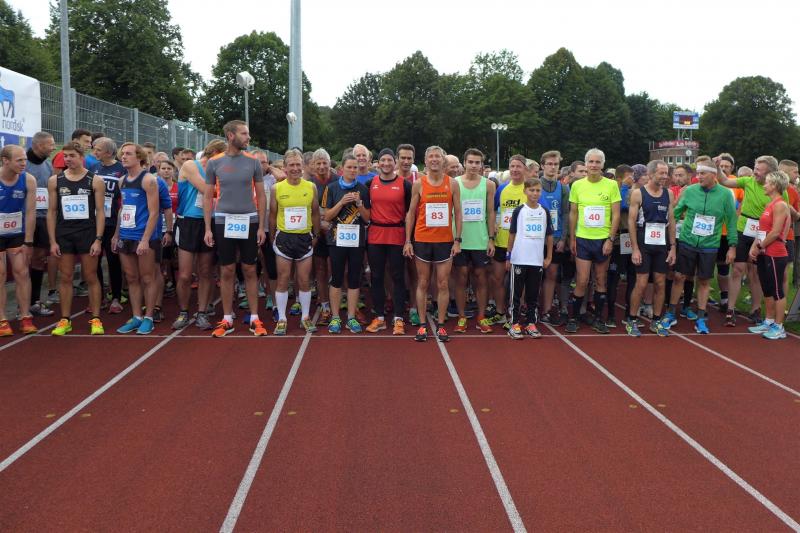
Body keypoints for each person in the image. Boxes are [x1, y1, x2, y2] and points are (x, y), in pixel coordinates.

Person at [203, 120, 267, 337]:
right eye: (244, 133)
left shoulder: (253, 162)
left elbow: (261, 196)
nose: (248, 137)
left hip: (249, 220)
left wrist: (261, 226)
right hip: (223, 221)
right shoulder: (214, 162)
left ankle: (255, 318)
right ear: (231, 136)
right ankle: (227, 318)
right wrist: (208, 228)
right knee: (227, 269)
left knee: (250, 269)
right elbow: (207, 197)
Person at [660, 164, 737, 334]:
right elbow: (676, 212)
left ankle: (701, 318)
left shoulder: (725, 194)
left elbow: (731, 221)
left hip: (710, 245)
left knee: (704, 281)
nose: (699, 176)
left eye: (703, 173)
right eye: (698, 173)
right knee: (679, 276)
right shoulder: (690, 191)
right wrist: (663, 223)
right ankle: (670, 313)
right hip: (687, 241)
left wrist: (732, 246)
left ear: (713, 175)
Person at [717, 156, 791, 326]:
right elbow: (724, 181)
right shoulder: (748, 181)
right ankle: (730, 309)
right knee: (738, 269)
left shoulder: (780, 192)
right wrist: (717, 167)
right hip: (744, 228)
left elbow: (785, 215)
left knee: (756, 272)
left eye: (758, 169)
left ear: (769, 172)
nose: (755, 171)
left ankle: (756, 309)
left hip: (764, 232)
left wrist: (783, 238)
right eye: (755, 168)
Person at [47, 142, 106, 336]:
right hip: (64, 233)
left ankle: (96, 318)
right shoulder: (55, 181)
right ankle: (65, 320)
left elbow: (100, 212)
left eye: (72, 155)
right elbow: (51, 212)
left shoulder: (95, 180)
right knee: (65, 277)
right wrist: (52, 241)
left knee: (90, 276)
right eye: (65, 156)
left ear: (81, 157)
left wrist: (98, 239)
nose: (68, 159)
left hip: (87, 233)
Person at [403, 146, 462, 342]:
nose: (434, 159)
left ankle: (441, 325)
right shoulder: (418, 184)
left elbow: (458, 213)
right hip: (422, 240)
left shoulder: (452, 183)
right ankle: (422, 325)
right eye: (431, 157)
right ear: (426, 160)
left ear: (443, 160)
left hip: (445, 241)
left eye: (438, 156)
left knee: (442, 283)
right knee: (423, 282)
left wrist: (458, 240)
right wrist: (408, 241)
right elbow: (411, 213)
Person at [566, 148, 621, 334]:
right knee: (582, 280)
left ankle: (598, 318)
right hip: (583, 239)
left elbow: (616, 214)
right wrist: (572, 237)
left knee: (600, 279)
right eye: (591, 162)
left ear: (603, 165)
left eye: (598, 162)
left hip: (602, 240)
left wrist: (610, 239)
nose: (594, 165)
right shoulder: (577, 185)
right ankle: (574, 318)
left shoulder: (611, 185)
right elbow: (573, 213)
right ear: (586, 163)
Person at [172, 140, 225, 331]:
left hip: (209, 222)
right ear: (214, 153)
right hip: (188, 222)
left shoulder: (219, 170)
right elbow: (207, 190)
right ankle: (183, 312)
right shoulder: (190, 165)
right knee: (185, 274)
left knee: (205, 271)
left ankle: (202, 312)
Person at [270, 149, 321, 335]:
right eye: (291, 165)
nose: (295, 168)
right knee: (283, 279)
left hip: (304, 238)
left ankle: (305, 317)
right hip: (284, 238)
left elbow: (315, 213)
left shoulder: (311, 187)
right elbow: (272, 215)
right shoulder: (277, 188)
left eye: (298, 165)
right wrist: (273, 238)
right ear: (284, 167)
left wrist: (316, 236)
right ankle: (282, 319)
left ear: (303, 166)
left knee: (304, 280)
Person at [112, 143, 161, 335]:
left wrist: (145, 239)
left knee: (147, 277)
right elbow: (122, 209)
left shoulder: (148, 179)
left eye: (128, 154)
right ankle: (136, 316)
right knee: (131, 278)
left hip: (143, 235)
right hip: (126, 234)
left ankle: (148, 317)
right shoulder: (122, 180)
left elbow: (154, 212)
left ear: (139, 157)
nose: (123, 157)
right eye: (122, 154)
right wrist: (116, 234)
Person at [626, 160, 676, 337]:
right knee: (641, 283)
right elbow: (631, 222)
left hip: (661, 242)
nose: (665, 177)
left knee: (660, 283)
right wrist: (635, 249)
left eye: (666, 173)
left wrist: (673, 247)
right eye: (661, 173)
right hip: (643, 241)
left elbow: (672, 221)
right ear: (651, 173)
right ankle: (632, 319)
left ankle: (656, 320)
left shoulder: (669, 193)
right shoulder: (638, 194)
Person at [364, 148, 411, 335]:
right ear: (378, 163)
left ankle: (398, 318)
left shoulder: (405, 184)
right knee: (376, 277)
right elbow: (365, 210)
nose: (386, 163)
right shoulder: (370, 183)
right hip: (376, 234)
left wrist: (409, 239)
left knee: (398, 276)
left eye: (389, 160)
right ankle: (380, 317)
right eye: (382, 160)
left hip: (397, 234)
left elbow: (410, 213)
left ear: (395, 162)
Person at [322, 154, 371, 333]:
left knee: (354, 278)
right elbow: (326, 216)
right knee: (336, 277)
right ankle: (335, 317)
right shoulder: (332, 188)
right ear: (342, 169)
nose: (352, 170)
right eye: (349, 167)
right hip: (336, 240)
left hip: (357, 241)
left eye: (355, 167)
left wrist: (359, 204)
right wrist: (341, 203)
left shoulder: (363, 189)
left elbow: (367, 218)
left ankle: (351, 317)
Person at [453, 148, 496, 334]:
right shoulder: (454, 183)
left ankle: (481, 316)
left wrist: (491, 239)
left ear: (481, 165)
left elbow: (491, 212)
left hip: (480, 239)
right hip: (460, 239)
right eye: (470, 162)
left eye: (477, 162)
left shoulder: (489, 185)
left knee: (481, 277)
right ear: (464, 163)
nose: (473, 165)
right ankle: (462, 316)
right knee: (461, 277)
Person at [505, 177, 553, 339]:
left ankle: (531, 322)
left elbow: (549, 236)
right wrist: (508, 256)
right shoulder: (519, 210)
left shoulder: (544, 211)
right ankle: (514, 323)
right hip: (519, 259)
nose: (535, 193)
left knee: (533, 295)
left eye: (538, 190)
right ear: (525, 191)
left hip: (536, 260)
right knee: (516, 294)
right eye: (532, 190)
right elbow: (512, 234)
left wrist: (548, 257)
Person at [747, 171, 791, 340]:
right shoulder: (770, 204)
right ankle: (769, 321)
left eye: (767, 183)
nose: (764, 185)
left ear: (774, 185)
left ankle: (779, 327)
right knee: (766, 288)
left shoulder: (781, 205)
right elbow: (762, 230)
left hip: (775, 253)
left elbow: (775, 232)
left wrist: (759, 246)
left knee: (776, 290)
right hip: (764, 251)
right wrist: (754, 247)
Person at [0, 146, 38, 336]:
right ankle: (2, 319)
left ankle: (25, 316)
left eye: (25, 160)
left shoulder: (28, 179)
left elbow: (31, 212)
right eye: (19, 160)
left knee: (22, 272)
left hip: (17, 232)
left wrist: (28, 241)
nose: (24, 164)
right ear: (5, 160)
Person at [490, 155, 529, 326]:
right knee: (497, 278)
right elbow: (493, 210)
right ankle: (500, 312)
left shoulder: (529, 188)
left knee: (519, 282)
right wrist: (493, 228)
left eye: (518, 166)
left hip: (522, 243)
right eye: (512, 166)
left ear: (525, 169)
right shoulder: (502, 188)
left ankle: (516, 313)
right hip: (502, 241)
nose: (514, 169)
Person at [88, 137, 125, 314]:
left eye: (98, 150)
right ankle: (99, 297)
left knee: (113, 260)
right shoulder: (93, 168)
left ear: (109, 152)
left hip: (113, 220)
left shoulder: (121, 169)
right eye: (94, 149)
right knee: (94, 259)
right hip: (95, 221)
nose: (94, 152)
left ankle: (116, 297)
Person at [25, 131, 57, 316]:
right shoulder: (23, 164)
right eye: (50, 144)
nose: (53, 147)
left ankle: (34, 301)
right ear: (38, 145)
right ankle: (22, 304)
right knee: (21, 261)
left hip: (43, 219)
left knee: (39, 258)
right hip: (24, 219)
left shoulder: (48, 165)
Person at [538, 150, 571, 326]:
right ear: (542, 166)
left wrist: (563, 238)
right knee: (533, 275)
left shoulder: (563, 188)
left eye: (556, 164)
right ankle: (529, 308)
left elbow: (565, 214)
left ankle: (546, 311)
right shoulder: (534, 185)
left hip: (556, 238)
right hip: (535, 238)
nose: (552, 167)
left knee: (551, 274)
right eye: (549, 164)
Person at [309, 148, 334, 325]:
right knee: (320, 269)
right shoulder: (309, 184)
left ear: (329, 163)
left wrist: (329, 222)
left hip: (336, 231)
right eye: (318, 163)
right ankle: (325, 305)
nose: (322, 166)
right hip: (317, 232)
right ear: (312, 165)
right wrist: (319, 225)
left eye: (325, 162)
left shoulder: (338, 180)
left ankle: (343, 302)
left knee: (340, 269)